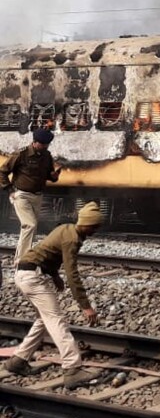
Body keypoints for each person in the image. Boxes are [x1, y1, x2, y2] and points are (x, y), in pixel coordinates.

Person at [3, 201, 103, 389]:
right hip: (32, 277)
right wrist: (85, 306)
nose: (96, 231)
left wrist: (55, 275)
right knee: (57, 320)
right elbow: (72, 274)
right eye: (95, 227)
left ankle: (18, 360)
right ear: (88, 224)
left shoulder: (67, 229)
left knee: (44, 319)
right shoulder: (72, 239)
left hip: (26, 273)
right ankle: (73, 369)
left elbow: (47, 252)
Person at [0, 128, 62, 264]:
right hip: (21, 195)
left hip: (37, 196)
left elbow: (49, 176)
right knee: (29, 225)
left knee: (31, 229)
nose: (46, 147)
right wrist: (10, 190)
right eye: (43, 144)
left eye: (47, 144)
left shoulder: (47, 156)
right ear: (35, 142)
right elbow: (3, 172)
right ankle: (23, 261)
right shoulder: (21, 154)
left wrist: (55, 176)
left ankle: (23, 258)